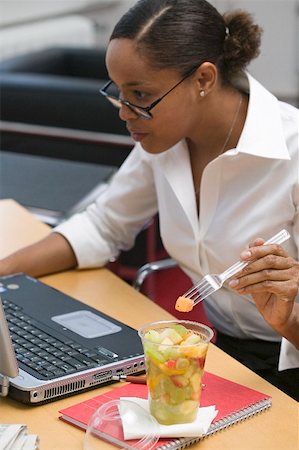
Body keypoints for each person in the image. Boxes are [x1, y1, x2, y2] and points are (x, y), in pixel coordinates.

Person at [0, 0, 298, 399]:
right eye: (118, 93)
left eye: (139, 94)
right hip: (221, 352)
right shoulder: (165, 138)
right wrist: (4, 272)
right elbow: (104, 224)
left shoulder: (291, 154)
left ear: (204, 79)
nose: (124, 113)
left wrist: (288, 320)